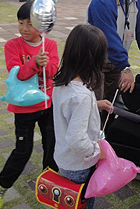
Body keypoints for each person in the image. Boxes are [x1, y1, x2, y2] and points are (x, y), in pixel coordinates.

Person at [0, 2, 59, 208]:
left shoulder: (50, 45)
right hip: (24, 108)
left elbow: (54, 72)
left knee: (51, 147)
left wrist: (46, 64)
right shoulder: (12, 45)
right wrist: (35, 62)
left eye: (30, 24)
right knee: (23, 151)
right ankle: (1, 185)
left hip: (47, 105)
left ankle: (50, 184)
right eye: (21, 23)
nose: (25, 29)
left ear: (43, 24)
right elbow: (17, 73)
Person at [52, 24, 114, 209]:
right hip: (80, 165)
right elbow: (77, 140)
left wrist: (97, 104)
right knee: (82, 203)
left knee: (67, 202)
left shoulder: (61, 83)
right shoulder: (83, 96)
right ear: (93, 60)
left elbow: (68, 111)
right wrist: (97, 151)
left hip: (64, 159)